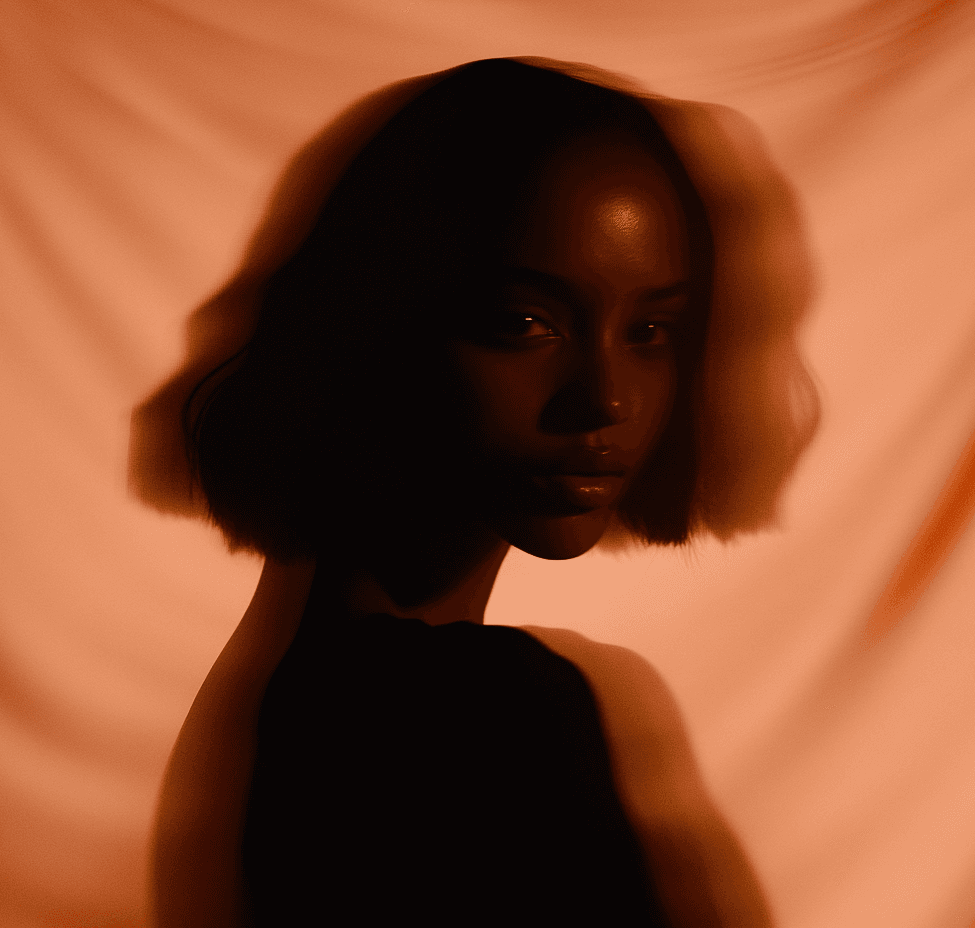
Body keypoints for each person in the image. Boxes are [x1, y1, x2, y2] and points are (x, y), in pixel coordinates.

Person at [149, 57, 817, 928]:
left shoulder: (276, 691)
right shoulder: (487, 715)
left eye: (652, 330)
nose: (606, 398)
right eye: (525, 322)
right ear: (380, 319)